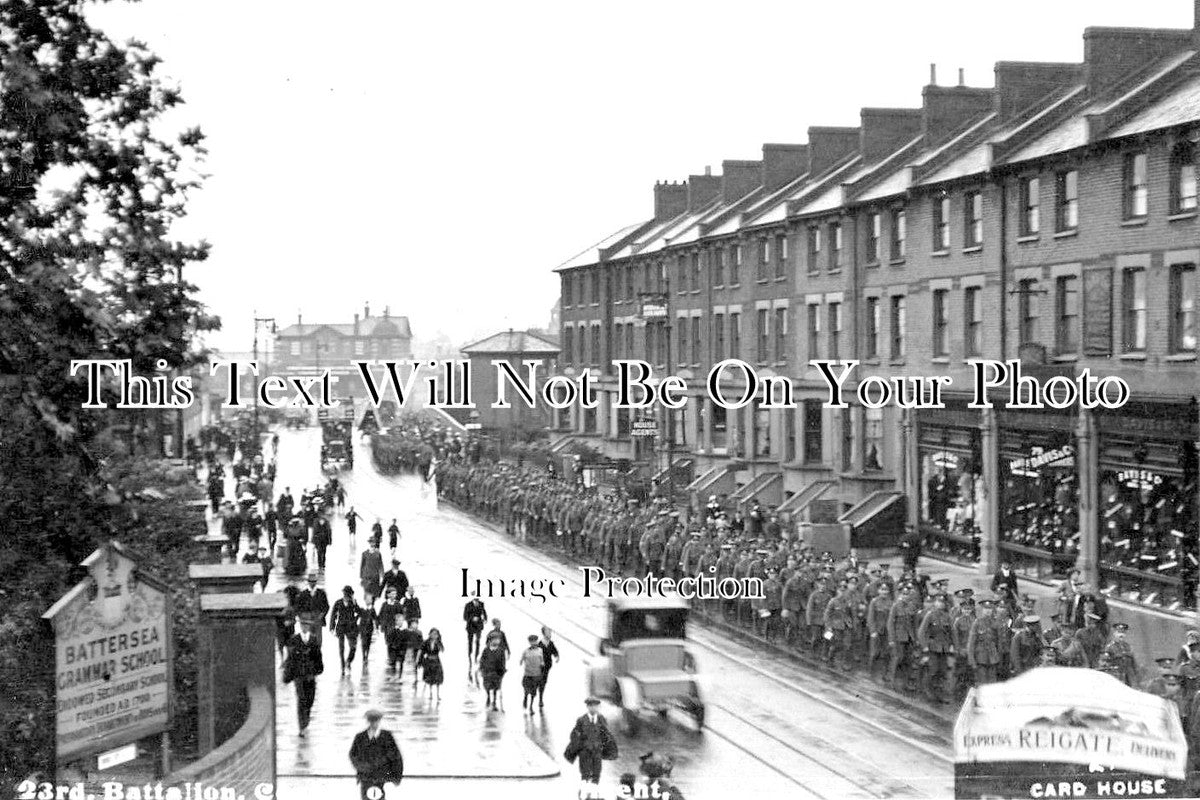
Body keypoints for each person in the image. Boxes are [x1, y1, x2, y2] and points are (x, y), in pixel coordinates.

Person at [563, 697, 617, 791]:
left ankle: (594, 790)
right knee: (585, 772)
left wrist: (606, 746)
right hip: (585, 751)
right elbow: (574, 734)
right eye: (591, 706)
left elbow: (606, 734)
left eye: (595, 706)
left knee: (597, 772)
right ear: (587, 707)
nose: (593, 708)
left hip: (597, 751)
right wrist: (579, 746)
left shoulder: (601, 719)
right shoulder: (581, 720)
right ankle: (585, 791)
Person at [348, 709, 403, 800]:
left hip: (381, 777)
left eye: (376, 721)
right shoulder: (360, 737)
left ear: (379, 721)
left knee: (379, 796)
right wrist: (362, 767)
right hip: (365, 777)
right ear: (368, 721)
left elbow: (396, 756)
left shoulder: (387, 736)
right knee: (365, 796)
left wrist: (395, 776)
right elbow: (353, 755)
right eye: (371, 721)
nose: (374, 724)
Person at [283, 619, 323, 736]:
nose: (305, 627)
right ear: (300, 626)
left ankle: (306, 720)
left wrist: (318, 670)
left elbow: (318, 657)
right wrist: (288, 675)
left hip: (310, 675)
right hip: (299, 675)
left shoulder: (313, 639)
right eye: (303, 625)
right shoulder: (294, 640)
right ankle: (302, 726)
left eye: (307, 625)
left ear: (309, 627)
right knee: (301, 700)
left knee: (310, 700)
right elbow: (290, 658)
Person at [330, 586, 361, 675]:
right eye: (345, 594)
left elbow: (360, 612)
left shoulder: (353, 603)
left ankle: (348, 661)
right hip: (341, 627)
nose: (346, 596)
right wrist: (332, 627)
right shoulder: (338, 603)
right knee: (341, 649)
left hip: (351, 628)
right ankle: (343, 667)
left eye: (348, 595)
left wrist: (355, 618)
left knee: (353, 647)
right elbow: (333, 615)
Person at [479, 636, 507, 710]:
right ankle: (488, 696)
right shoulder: (486, 650)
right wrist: (481, 669)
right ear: (490, 641)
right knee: (487, 686)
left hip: (497, 671)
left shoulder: (501, 651)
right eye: (494, 640)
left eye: (497, 640)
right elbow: (482, 660)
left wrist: (503, 670)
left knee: (496, 686)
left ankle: (494, 701)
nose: (496, 641)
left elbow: (503, 661)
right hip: (487, 671)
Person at [520, 635, 545, 713]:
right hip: (528, 674)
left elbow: (542, 660)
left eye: (535, 641)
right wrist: (522, 662)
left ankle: (531, 707)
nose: (534, 642)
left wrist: (542, 664)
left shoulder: (540, 650)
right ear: (530, 642)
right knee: (526, 689)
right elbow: (521, 660)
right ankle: (525, 697)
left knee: (534, 692)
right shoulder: (526, 651)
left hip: (536, 674)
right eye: (532, 641)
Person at [537, 626, 560, 709]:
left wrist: (557, 657)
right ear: (544, 634)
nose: (550, 634)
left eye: (550, 633)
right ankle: (539, 698)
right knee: (541, 682)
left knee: (543, 682)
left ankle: (540, 698)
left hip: (547, 667)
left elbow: (555, 651)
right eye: (548, 632)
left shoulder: (551, 643)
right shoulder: (540, 644)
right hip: (539, 667)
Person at [419, 628, 445, 701]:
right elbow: (422, 651)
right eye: (432, 634)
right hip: (429, 661)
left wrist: (438, 642)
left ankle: (438, 694)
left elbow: (442, 650)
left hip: (436, 661)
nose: (434, 636)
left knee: (438, 678)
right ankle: (430, 694)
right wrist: (420, 661)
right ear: (429, 634)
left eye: (435, 634)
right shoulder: (426, 642)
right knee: (430, 678)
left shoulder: (438, 642)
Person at [463, 593, 488, 664]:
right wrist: (472, 618)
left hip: (478, 626)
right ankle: (470, 655)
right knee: (470, 642)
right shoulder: (468, 605)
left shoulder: (481, 604)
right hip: (470, 626)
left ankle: (476, 656)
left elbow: (484, 612)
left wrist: (485, 619)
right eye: (475, 600)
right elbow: (465, 617)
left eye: (478, 599)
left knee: (478, 641)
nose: (477, 601)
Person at [360, 541, 384, 605]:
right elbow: (362, 565)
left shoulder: (378, 554)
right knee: (367, 593)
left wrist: (382, 575)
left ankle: (372, 607)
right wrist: (361, 576)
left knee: (374, 594)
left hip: (375, 577)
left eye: (373, 542)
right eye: (371, 542)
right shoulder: (364, 553)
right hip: (367, 577)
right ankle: (368, 607)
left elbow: (381, 565)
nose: (372, 544)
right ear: (369, 543)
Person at [358, 599, 378, 668]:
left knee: (368, 642)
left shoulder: (372, 609)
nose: (368, 601)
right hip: (362, 627)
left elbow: (375, 618)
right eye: (367, 599)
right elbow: (357, 615)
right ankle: (364, 656)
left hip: (369, 628)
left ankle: (367, 655)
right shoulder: (362, 608)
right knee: (364, 642)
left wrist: (377, 627)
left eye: (369, 600)